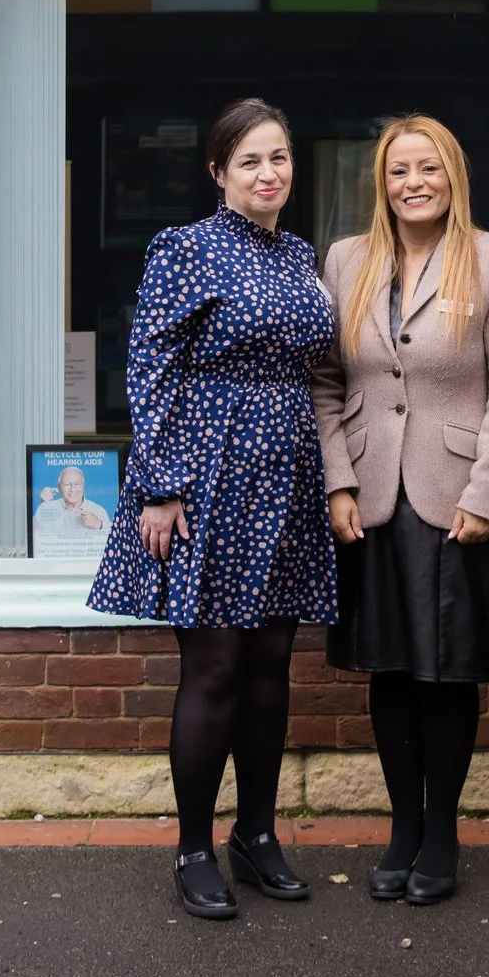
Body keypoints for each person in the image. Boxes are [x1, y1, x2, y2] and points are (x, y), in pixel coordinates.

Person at [86, 98, 337, 920]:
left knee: (270, 667)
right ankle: (195, 846)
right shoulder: (184, 248)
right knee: (217, 668)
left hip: (286, 474)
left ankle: (256, 836)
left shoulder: (301, 255)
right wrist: (159, 482)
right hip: (208, 471)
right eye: (252, 162)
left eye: (281, 159)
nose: (270, 174)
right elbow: (148, 364)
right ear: (219, 173)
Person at [314, 116, 489, 905]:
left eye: (428, 168)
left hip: (456, 499)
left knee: (445, 674)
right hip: (372, 496)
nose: (414, 182)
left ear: (453, 175)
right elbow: (327, 383)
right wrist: (337, 482)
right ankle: (403, 826)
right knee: (390, 672)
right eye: (399, 169)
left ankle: (442, 834)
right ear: (383, 181)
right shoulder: (346, 260)